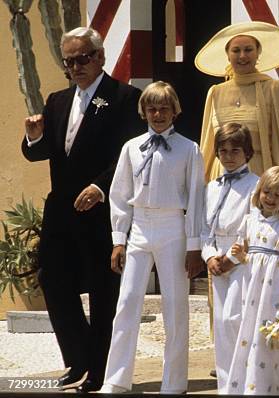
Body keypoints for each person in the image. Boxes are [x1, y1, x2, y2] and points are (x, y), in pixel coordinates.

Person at [21, 27, 144, 392]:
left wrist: (100, 187)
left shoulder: (124, 98)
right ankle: (78, 360)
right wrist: (34, 136)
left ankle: (102, 371)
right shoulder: (57, 100)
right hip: (61, 211)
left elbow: (130, 156)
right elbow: (37, 153)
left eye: (83, 58)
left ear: (100, 57)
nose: (76, 66)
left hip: (102, 213)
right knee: (53, 280)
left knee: (104, 291)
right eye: (69, 61)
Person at [100, 81, 204, 394]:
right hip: (140, 228)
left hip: (173, 227)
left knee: (175, 305)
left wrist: (194, 245)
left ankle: (174, 382)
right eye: (152, 108)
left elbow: (197, 198)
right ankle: (116, 378)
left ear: (175, 111)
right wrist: (119, 238)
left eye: (164, 108)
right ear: (143, 111)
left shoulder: (189, 149)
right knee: (128, 300)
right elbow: (119, 194)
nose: (158, 114)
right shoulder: (131, 147)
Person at [224, 166, 279, 395]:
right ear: (259, 191)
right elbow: (249, 257)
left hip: (276, 294)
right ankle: (250, 384)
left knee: (273, 338)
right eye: (267, 192)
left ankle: (273, 387)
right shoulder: (251, 221)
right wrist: (240, 256)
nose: (271, 198)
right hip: (252, 292)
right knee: (249, 333)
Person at [201, 122, 260, 391]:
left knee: (237, 320)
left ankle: (245, 380)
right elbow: (204, 228)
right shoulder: (211, 187)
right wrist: (210, 256)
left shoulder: (255, 184)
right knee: (222, 323)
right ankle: (226, 385)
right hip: (218, 260)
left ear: (247, 152)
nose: (228, 156)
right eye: (223, 151)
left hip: (242, 258)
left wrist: (232, 258)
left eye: (235, 150)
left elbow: (253, 226)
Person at [196, 21, 279, 181]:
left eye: (248, 50)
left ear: (258, 53)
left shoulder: (273, 89)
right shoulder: (215, 92)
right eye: (236, 50)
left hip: (258, 177)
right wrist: (200, 186)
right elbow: (207, 148)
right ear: (227, 55)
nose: (242, 56)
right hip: (220, 177)